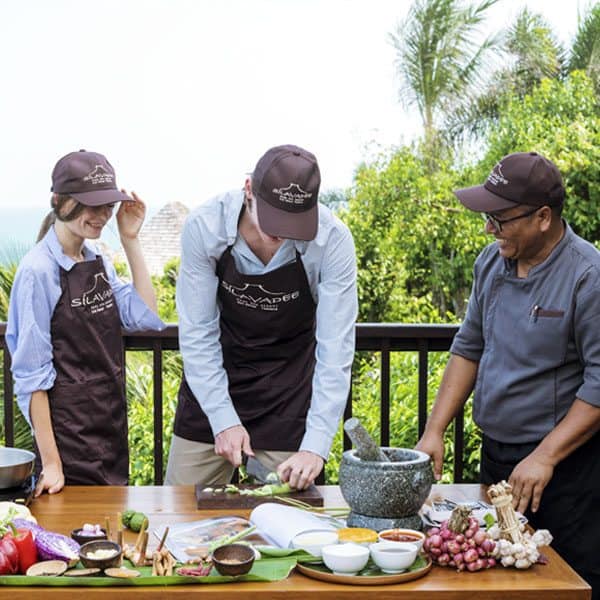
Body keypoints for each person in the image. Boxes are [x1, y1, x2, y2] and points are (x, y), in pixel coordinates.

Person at [415, 151, 600, 598]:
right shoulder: (491, 263)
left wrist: (546, 456)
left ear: (542, 217)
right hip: (497, 464)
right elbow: (468, 347)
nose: (488, 229)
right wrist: (434, 431)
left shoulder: (588, 275)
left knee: (565, 584)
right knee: (499, 578)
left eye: (500, 219)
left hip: (564, 470)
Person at [165, 144, 357, 489]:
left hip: (288, 391)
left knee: (287, 523)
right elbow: (198, 333)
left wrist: (316, 445)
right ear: (249, 189)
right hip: (212, 382)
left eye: (293, 222)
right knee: (179, 513)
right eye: (273, 219)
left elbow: (335, 349)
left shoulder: (332, 240)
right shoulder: (204, 227)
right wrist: (222, 420)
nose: (281, 232)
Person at [6, 149, 164, 495]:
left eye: (108, 205)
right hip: (69, 445)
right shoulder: (38, 271)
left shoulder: (97, 261)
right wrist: (51, 463)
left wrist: (130, 240)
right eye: (92, 205)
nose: (103, 215)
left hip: (109, 432)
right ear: (60, 201)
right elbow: (32, 377)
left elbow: (146, 318)